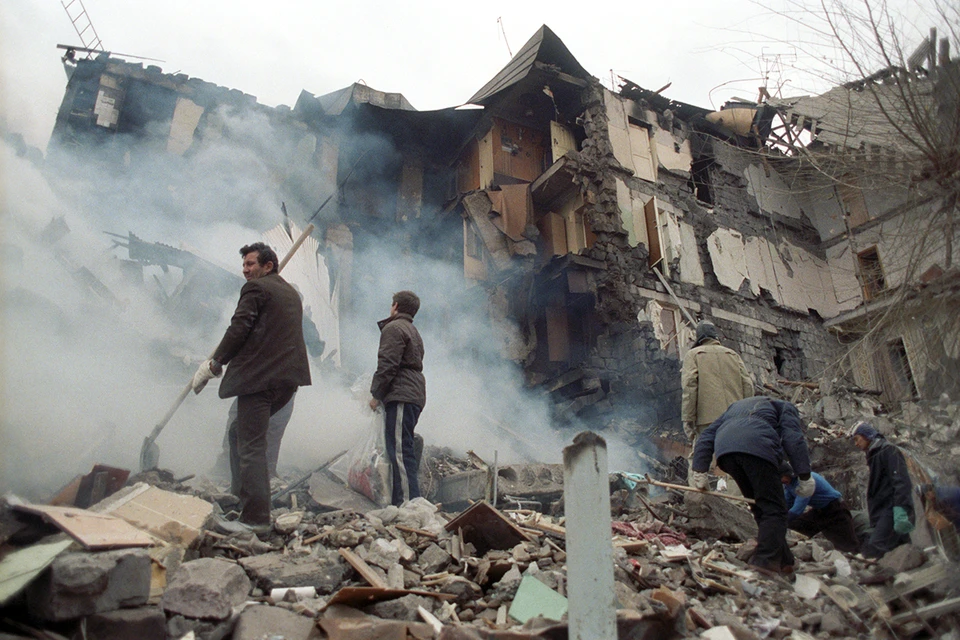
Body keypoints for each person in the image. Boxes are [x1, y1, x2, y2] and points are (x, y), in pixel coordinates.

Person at [193, 242, 311, 534]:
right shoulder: (290, 293)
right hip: (286, 382)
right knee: (238, 433)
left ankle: (255, 518)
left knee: (251, 445)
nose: (245, 271)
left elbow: (239, 328)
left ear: (268, 266)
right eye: (244, 265)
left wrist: (214, 363)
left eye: (251, 264)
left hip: (260, 380)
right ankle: (239, 497)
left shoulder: (256, 290)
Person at [691, 396, 815, 575]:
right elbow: (792, 438)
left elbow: (707, 435)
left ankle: (785, 560)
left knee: (760, 507)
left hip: (726, 453)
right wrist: (804, 475)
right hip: (757, 446)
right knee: (775, 510)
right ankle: (765, 560)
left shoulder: (734, 408)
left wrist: (700, 469)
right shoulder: (787, 407)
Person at [369, 290, 426, 507]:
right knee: (402, 449)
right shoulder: (412, 329)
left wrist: (376, 394)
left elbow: (388, 365)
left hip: (402, 393)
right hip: (412, 393)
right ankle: (403, 499)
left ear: (395, 306)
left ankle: (407, 504)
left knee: (400, 452)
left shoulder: (394, 328)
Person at [681, 320, 754, 447]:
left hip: (708, 422)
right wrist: (746, 415)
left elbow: (690, 387)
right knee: (734, 458)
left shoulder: (693, 355)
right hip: (736, 419)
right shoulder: (733, 355)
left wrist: (688, 418)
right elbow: (748, 385)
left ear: (699, 337)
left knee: (704, 461)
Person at [851, 421, 915, 557]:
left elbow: (901, 481)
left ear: (866, 435)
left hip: (892, 508)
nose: (856, 444)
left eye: (857, 439)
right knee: (902, 548)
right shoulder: (875, 453)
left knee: (875, 546)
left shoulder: (888, 450)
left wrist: (901, 509)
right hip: (884, 510)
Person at [780, 461, 860, 552]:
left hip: (836, 510)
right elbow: (786, 504)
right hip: (819, 511)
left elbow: (797, 510)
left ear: (788, 474)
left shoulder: (806, 480)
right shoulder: (789, 485)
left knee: (848, 546)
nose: (781, 481)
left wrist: (779, 521)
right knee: (793, 526)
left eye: (781, 477)